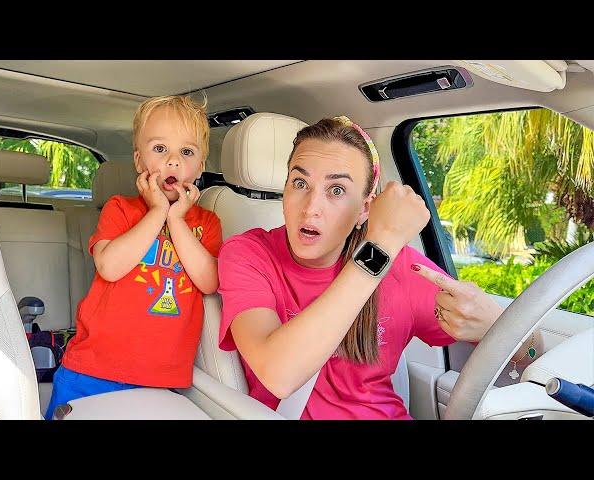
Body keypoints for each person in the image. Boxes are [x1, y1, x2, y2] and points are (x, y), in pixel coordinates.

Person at [217, 116, 537, 419]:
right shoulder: (248, 254)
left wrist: (499, 327)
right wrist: (380, 245)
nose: (311, 208)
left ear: (364, 210)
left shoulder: (404, 269)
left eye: (337, 190)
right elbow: (278, 374)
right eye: (300, 183)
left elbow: (531, 352)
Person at [45, 95, 222, 419]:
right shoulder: (120, 209)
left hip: (162, 381)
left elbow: (209, 281)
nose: (173, 161)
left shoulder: (206, 223)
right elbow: (109, 266)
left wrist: (177, 220)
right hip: (93, 369)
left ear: (200, 166)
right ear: (140, 163)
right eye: (159, 149)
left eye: (186, 152)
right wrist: (157, 212)